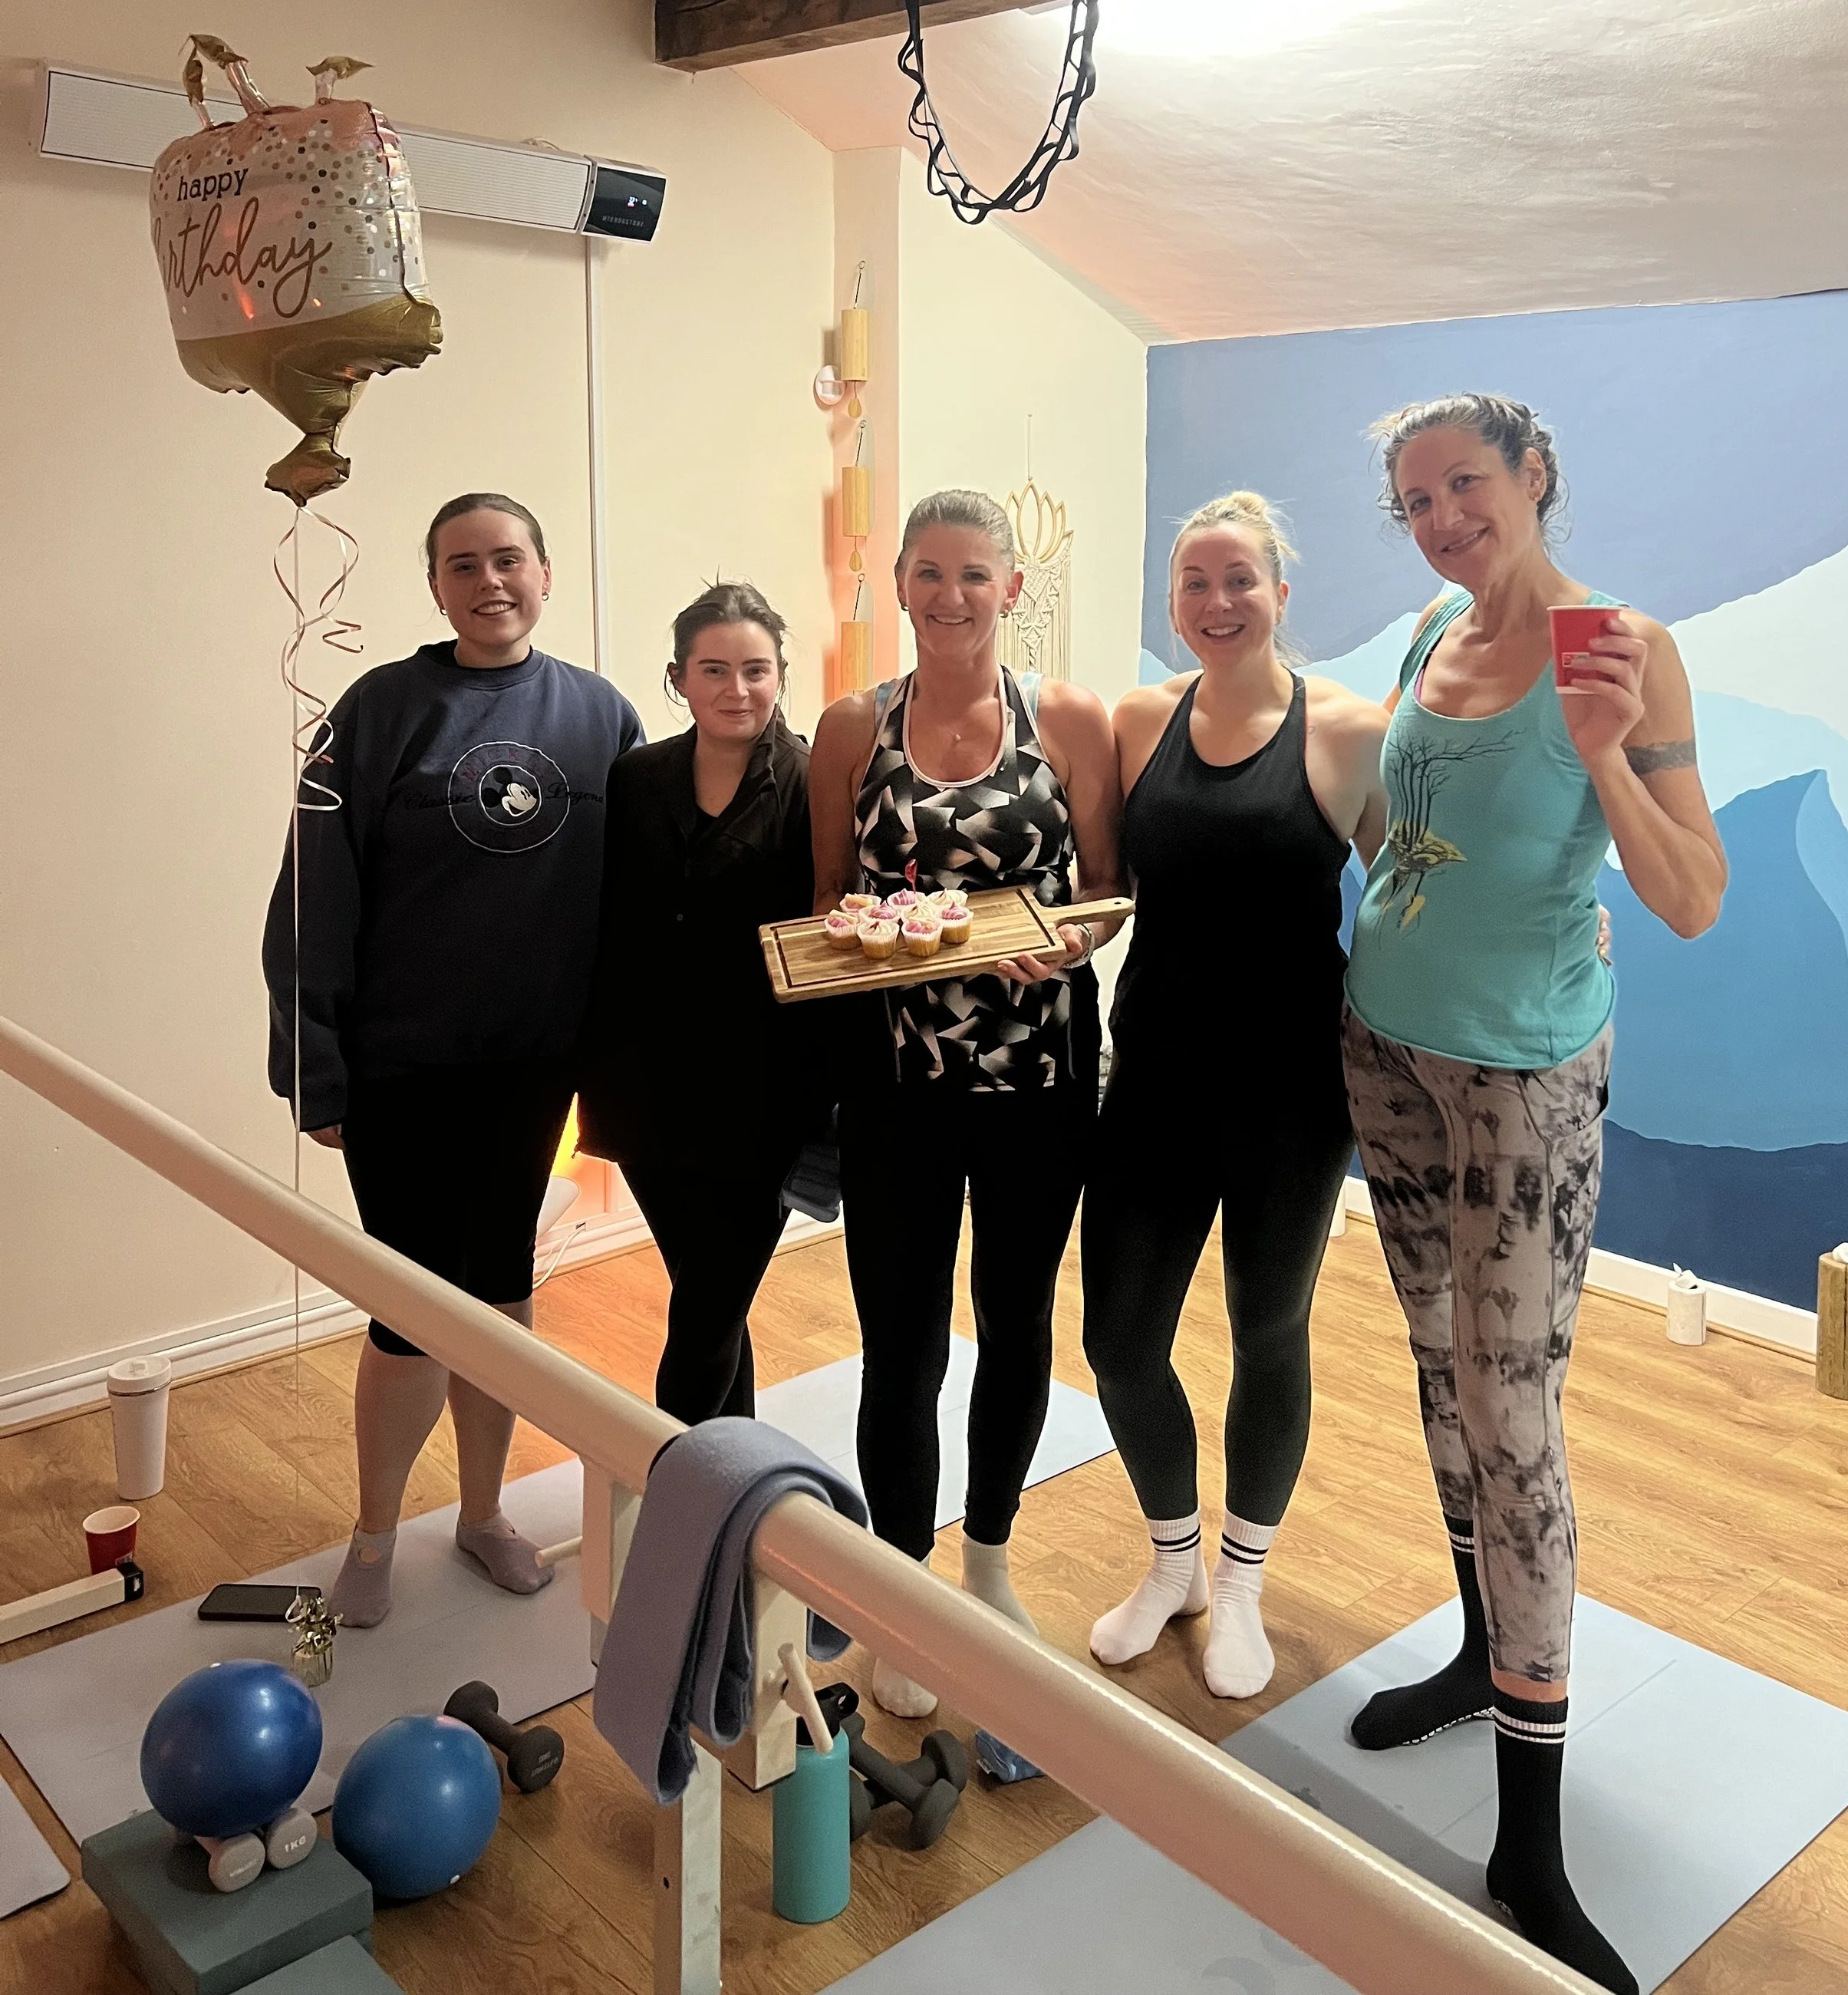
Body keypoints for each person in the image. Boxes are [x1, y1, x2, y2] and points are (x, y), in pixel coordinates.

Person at [1341, 394, 1724, 1995]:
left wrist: (1595, 762)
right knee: (1437, 1379)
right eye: (1413, 499)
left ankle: (1530, 1837)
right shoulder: (1431, 621)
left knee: (1515, 1422)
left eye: (1464, 485)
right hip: (1384, 1049)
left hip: (1519, 1084)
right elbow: (1393, 816)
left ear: (1534, 474)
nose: (1439, 518)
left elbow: (1688, 895)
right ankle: (1471, 1654)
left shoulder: (1619, 646)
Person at [265, 492, 641, 1628]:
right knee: (409, 1314)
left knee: (503, 1297)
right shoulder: (379, 711)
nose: (490, 581)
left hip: (531, 1074)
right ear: (435, 586)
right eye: (464, 564)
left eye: (510, 559)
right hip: (401, 1077)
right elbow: (312, 899)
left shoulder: (599, 715)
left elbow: (639, 903)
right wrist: (315, 1066)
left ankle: (482, 1513)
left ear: (546, 572)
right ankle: (376, 1535)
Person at [810, 488, 1123, 1717]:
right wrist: (877, 934)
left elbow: (1110, 887)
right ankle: (902, 1581)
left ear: (1011, 589)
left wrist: (1065, 943)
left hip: (1041, 1076)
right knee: (900, 1342)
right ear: (899, 586)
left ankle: (988, 1562)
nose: (951, 597)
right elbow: (826, 898)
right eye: (929, 574)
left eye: (974, 575)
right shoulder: (850, 725)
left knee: (1015, 1321)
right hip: (898, 1088)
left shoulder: (1072, 719)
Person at [1081, 493, 1386, 1700]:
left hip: (1292, 1096)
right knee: (1118, 1342)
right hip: (1152, 1076)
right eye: (1195, 583)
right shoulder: (1137, 719)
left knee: (1268, 1330)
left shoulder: (1348, 728)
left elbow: (1415, 887)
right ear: (1172, 602)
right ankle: (1174, 1563)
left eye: (1239, 580)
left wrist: (1569, 928)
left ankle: (1244, 1578)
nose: (1217, 603)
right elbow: (1104, 886)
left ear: (1280, 593)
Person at [578, 580, 827, 1423]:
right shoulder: (635, 778)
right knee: (706, 1295)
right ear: (678, 678)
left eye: (756, 670)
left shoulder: (816, 783)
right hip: (643, 1087)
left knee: (707, 1308)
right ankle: (739, 1473)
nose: (737, 689)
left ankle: (672, 1493)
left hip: (765, 1096)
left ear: (780, 675)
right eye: (713, 669)